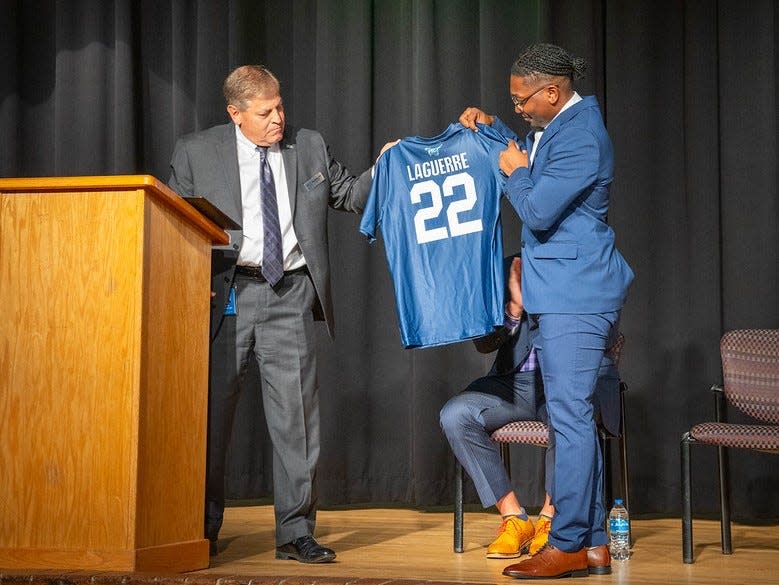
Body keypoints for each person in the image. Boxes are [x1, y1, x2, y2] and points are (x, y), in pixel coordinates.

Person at [168, 65, 395, 564]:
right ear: (235, 114)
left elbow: (349, 195)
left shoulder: (307, 144)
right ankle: (200, 526)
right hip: (226, 295)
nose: (278, 119)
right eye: (266, 112)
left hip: (289, 293)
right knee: (209, 421)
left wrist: (383, 168)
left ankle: (295, 532)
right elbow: (175, 226)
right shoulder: (196, 151)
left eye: (280, 107)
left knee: (298, 423)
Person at [459, 43, 634, 579]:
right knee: (573, 417)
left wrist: (512, 169)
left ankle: (566, 542)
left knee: (571, 419)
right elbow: (525, 156)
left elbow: (534, 208)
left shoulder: (581, 135)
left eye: (521, 101)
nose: (518, 109)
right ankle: (597, 543)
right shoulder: (558, 128)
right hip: (561, 292)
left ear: (552, 92)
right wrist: (493, 132)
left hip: (575, 295)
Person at [440, 255, 620, 573]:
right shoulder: (516, 268)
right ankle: (514, 518)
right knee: (456, 415)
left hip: (565, 380)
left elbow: (604, 335)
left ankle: (551, 518)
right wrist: (514, 310)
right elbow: (484, 342)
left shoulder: (588, 269)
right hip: (513, 383)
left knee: (566, 420)